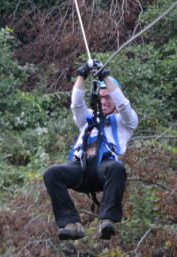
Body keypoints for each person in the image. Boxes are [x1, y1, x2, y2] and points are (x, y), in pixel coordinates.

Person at [43, 60, 138, 240]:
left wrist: (104, 77)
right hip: (82, 169)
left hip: (104, 170)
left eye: (108, 97)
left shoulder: (126, 122)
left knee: (117, 168)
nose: (104, 101)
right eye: (101, 97)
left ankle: (107, 220)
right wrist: (82, 75)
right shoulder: (86, 118)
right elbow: (76, 104)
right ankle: (71, 224)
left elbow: (124, 105)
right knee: (52, 173)